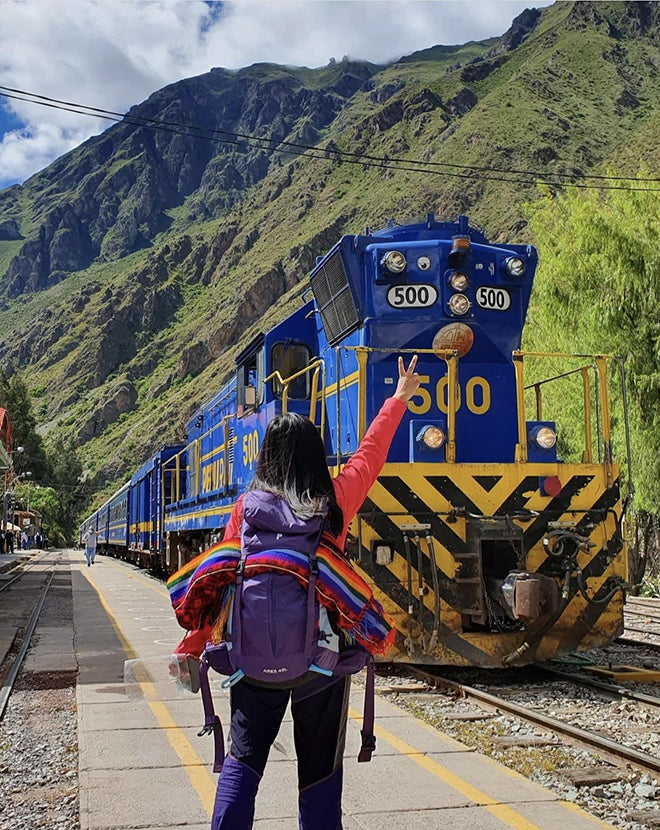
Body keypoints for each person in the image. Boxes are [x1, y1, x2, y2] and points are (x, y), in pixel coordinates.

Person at [177, 355, 420, 830]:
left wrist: (191, 646)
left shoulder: (245, 509)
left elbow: (220, 582)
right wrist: (397, 400)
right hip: (322, 666)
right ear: (315, 458)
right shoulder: (335, 503)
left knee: (241, 766)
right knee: (319, 776)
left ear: (266, 458)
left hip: (252, 661)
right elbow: (370, 455)